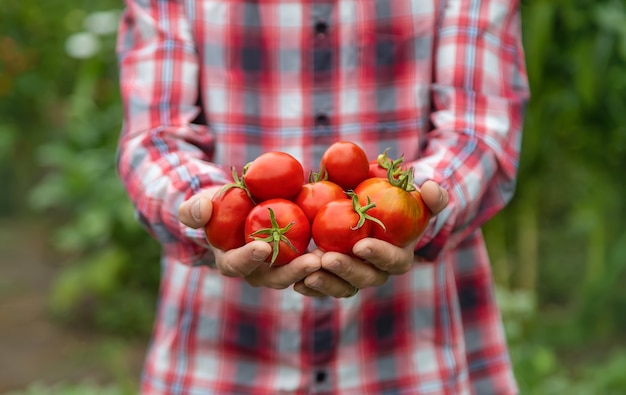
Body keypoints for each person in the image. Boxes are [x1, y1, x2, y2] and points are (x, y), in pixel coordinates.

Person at [115, 0, 529, 393]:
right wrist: (208, 211)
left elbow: (478, 129)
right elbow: (153, 136)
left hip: (413, 344)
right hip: (220, 348)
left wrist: (420, 208)